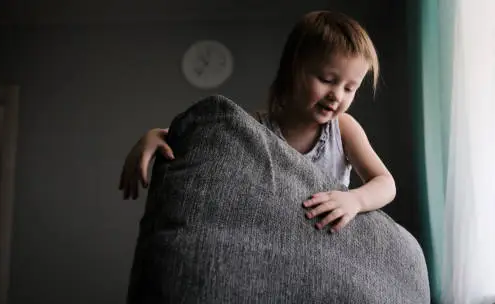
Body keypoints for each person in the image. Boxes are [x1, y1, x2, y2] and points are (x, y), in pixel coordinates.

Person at [118, 10, 396, 233]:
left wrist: (355, 200)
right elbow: (199, 142)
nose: (337, 95)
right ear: (293, 70)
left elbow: (385, 182)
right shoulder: (254, 127)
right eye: (327, 80)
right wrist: (156, 135)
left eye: (350, 88)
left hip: (325, 236)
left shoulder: (343, 129)